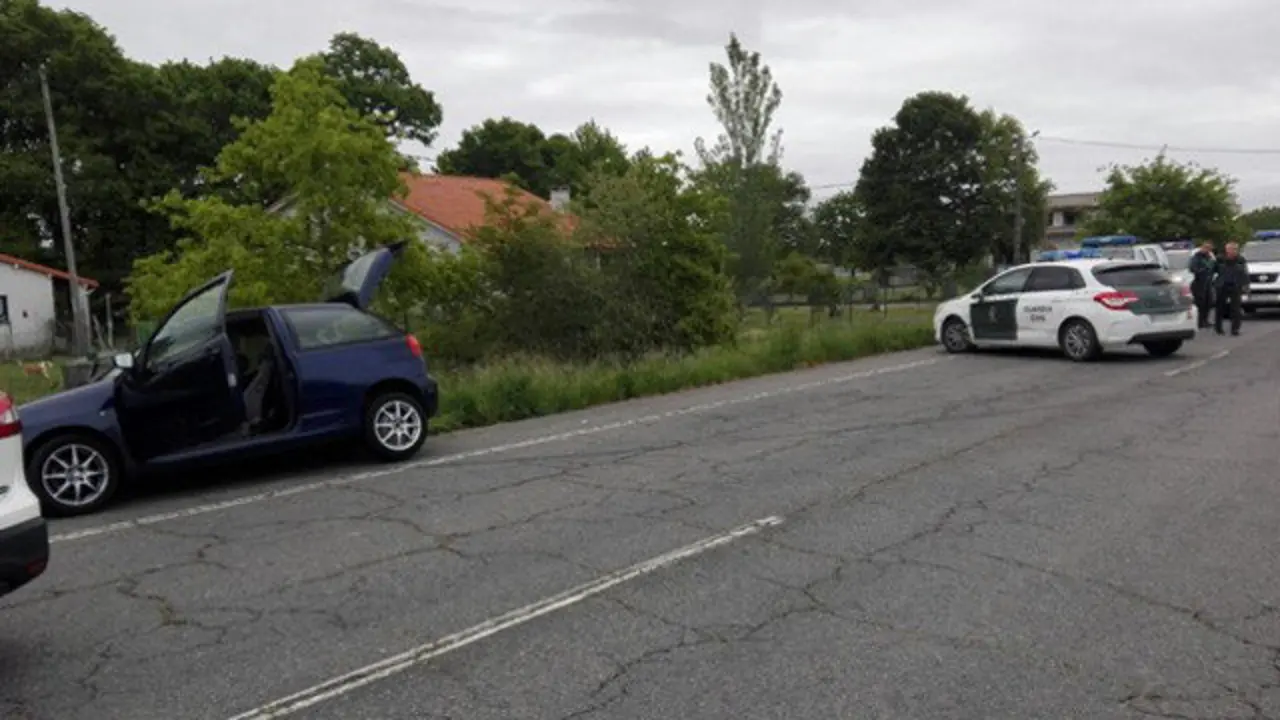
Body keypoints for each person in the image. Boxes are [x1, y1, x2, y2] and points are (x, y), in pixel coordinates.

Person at [1213, 241, 1250, 336]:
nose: (1233, 251)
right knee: (1220, 307)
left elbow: (1245, 273)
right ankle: (1218, 328)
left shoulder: (1241, 260)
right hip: (1222, 285)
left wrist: (1246, 285)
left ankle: (1235, 329)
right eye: (1231, 249)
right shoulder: (1220, 259)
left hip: (1235, 285)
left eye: (1235, 249)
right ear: (1226, 250)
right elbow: (1213, 270)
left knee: (1236, 309)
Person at [1188, 242, 1216, 328]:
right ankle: (1199, 322)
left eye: (1209, 249)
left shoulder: (1209, 257)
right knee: (1200, 303)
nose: (1208, 251)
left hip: (1208, 282)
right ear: (1203, 248)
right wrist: (1202, 270)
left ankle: (1205, 320)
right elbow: (1192, 268)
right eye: (1206, 248)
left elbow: (1214, 267)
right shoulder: (1196, 257)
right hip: (1199, 282)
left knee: (1209, 301)